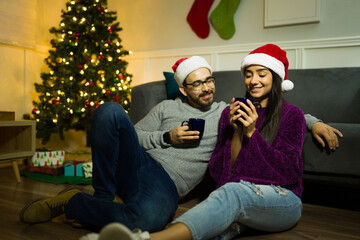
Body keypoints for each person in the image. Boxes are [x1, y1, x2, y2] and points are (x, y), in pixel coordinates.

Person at [20, 54, 341, 234]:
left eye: (209, 80)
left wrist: (314, 121)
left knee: (147, 220)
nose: (206, 87)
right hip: (138, 163)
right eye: (197, 82)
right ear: (184, 89)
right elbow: (130, 135)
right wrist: (166, 137)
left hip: (165, 183)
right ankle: (102, 194)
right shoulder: (165, 108)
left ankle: (75, 204)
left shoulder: (224, 112)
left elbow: (276, 110)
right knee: (108, 111)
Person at [80, 43, 313, 240]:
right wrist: (234, 132)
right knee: (109, 110)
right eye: (249, 74)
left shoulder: (238, 111)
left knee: (151, 216)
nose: (253, 81)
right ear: (182, 89)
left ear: (276, 77)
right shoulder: (219, 113)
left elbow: (287, 167)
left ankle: (133, 232)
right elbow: (224, 174)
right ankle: (102, 199)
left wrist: (253, 132)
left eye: (261, 74)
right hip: (144, 162)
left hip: (172, 183)